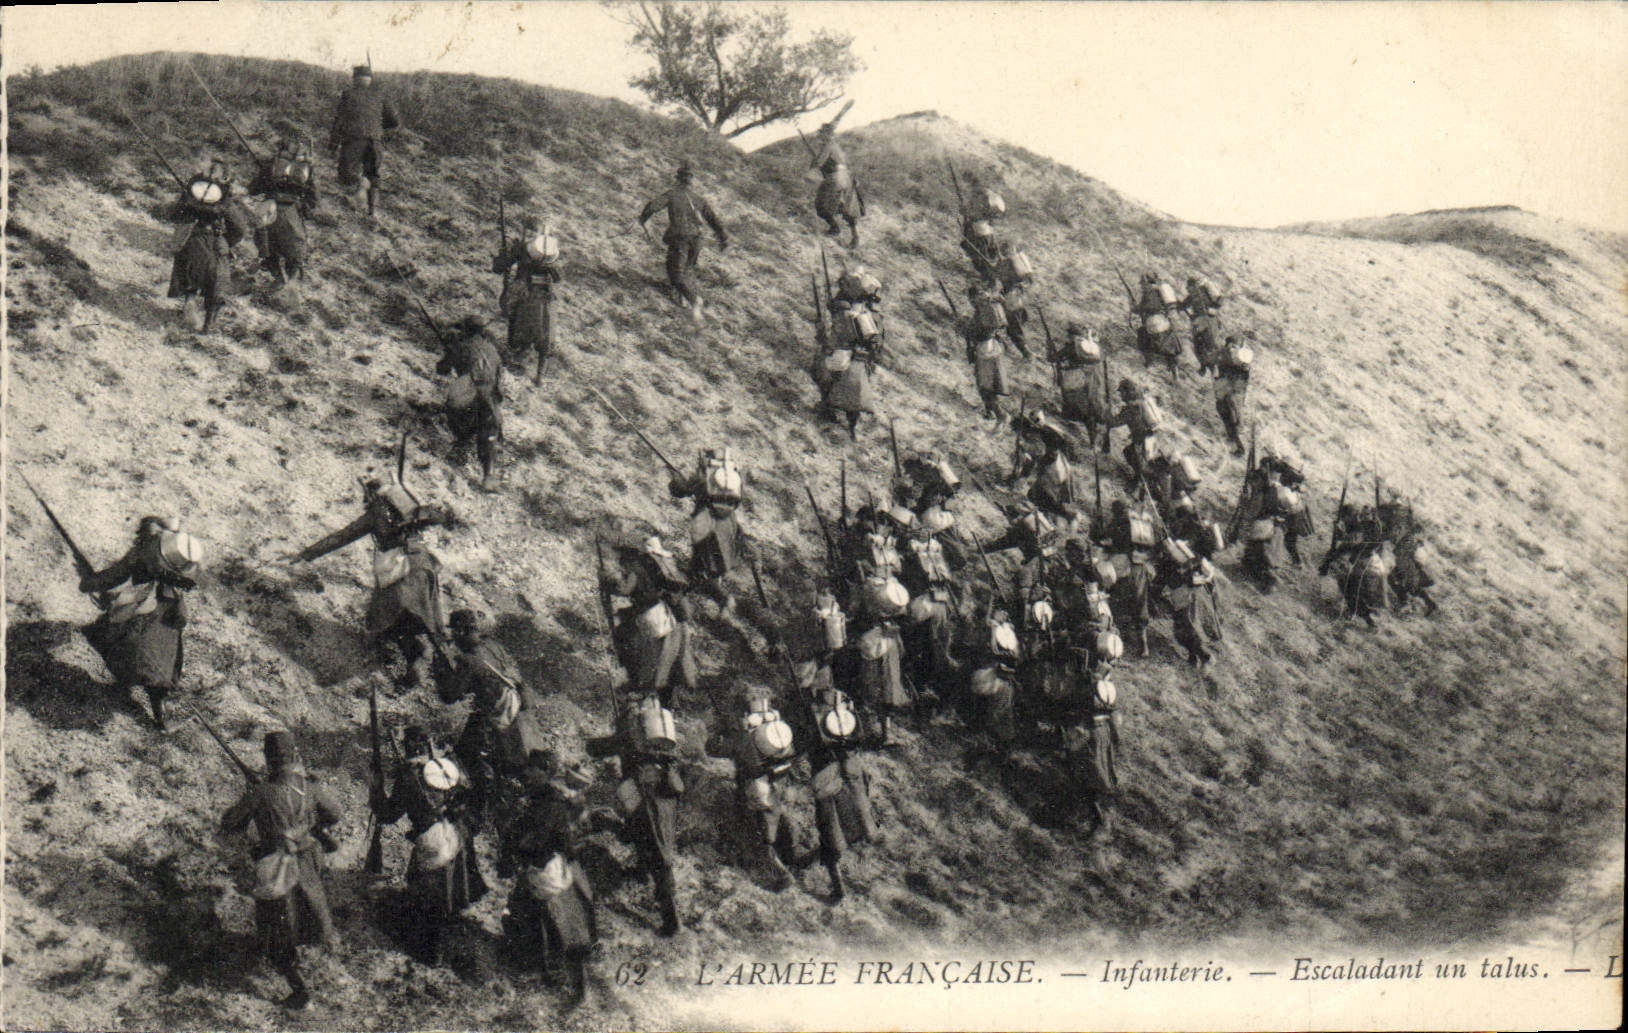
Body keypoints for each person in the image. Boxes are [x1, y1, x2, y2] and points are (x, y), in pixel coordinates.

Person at [291, 473, 455, 685]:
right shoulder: (411, 508)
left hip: (400, 570)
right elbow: (440, 517)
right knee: (426, 617)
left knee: (383, 618)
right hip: (423, 565)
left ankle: (399, 666)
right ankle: (439, 667)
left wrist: (306, 553)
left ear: (370, 494)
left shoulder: (376, 513)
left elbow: (342, 537)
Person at [220, 730, 342, 1011]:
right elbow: (334, 813)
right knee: (305, 907)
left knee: (275, 924)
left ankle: (300, 993)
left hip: (277, 864)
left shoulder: (262, 791)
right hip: (308, 860)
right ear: (295, 756)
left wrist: (251, 796)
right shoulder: (309, 787)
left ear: (268, 759)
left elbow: (230, 823)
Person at [373, 727, 488, 965]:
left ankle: (430, 950)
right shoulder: (448, 766)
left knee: (427, 898)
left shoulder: (408, 777)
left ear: (407, 747)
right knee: (450, 886)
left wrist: (375, 791)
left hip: (432, 840)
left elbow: (388, 814)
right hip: (458, 834)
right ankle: (452, 922)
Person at [78, 517, 202, 730]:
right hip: (166, 618)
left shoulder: (140, 554)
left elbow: (114, 576)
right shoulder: (176, 567)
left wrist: (88, 583)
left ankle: (134, 693)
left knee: (125, 648)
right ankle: (160, 717)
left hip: (145, 614)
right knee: (159, 665)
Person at [502, 750, 598, 1007]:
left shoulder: (551, 804)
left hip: (548, 871)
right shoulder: (540, 799)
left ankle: (577, 991)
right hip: (538, 870)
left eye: (532, 769)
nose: (526, 774)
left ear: (544, 771)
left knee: (564, 931)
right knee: (530, 919)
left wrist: (517, 841)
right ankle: (539, 970)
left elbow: (542, 839)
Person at [586, 696, 686, 936]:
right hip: (665, 794)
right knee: (652, 839)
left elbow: (597, 749)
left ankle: (672, 920)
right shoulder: (663, 737)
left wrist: (591, 743)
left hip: (646, 797)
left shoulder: (629, 732)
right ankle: (642, 871)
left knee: (659, 855)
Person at [436, 609, 543, 828]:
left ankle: (480, 807)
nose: (453, 637)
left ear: (462, 631)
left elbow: (450, 695)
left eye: (455, 632)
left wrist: (440, 670)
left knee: (468, 754)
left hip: (491, 717)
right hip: (513, 709)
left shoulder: (468, 661)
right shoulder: (492, 646)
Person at [604, 535, 698, 710]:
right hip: (661, 612)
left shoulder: (634, 569)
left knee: (648, 652)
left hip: (649, 614)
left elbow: (625, 590)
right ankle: (660, 694)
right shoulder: (652, 568)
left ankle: (642, 687)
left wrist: (608, 584)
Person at [168, 158, 253, 331]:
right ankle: (209, 324)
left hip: (191, 237)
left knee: (186, 270)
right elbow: (240, 228)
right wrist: (227, 243)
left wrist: (188, 206)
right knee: (218, 282)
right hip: (215, 241)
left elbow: (175, 215)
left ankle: (189, 301)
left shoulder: (192, 192)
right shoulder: (226, 201)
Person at [638, 165, 727, 322]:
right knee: (687, 269)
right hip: (697, 240)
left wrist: (643, 219)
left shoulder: (672, 194)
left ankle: (694, 301)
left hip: (681, 238)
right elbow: (714, 220)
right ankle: (682, 300)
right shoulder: (699, 199)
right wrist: (723, 238)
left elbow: (652, 206)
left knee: (675, 273)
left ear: (678, 179)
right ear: (692, 181)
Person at [669, 447, 751, 612]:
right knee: (714, 559)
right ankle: (695, 589)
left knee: (702, 560)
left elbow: (681, 490)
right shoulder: (735, 479)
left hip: (706, 523)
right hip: (727, 524)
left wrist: (674, 476)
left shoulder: (704, 477)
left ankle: (721, 599)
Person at [734, 688, 802, 889]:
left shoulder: (746, 734)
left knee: (762, 829)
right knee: (780, 816)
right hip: (780, 778)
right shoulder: (777, 728)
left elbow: (725, 752)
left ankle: (778, 871)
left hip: (757, 786)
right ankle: (792, 854)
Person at [491, 215, 563, 384]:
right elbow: (558, 277)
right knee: (544, 330)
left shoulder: (526, 249)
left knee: (514, 312)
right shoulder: (541, 252)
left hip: (530, 293)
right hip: (542, 296)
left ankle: (520, 355)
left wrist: (505, 257)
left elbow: (500, 267)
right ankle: (536, 371)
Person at [437, 316, 505, 492]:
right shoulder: (492, 350)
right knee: (488, 431)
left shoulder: (462, 346)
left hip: (471, 392)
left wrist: (448, 352)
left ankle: (461, 442)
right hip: (490, 396)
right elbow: (499, 379)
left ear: (466, 330)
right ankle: (489, 476)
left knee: (453, 408)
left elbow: (442, 369)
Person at [328, 63, 400, 217]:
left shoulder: (348, 95)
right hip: (375, 143)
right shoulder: (380, 95)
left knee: (346, 174)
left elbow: (339, 121)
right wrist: (378, 127)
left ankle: (360, 186)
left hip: (354, 141)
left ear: (354, 79)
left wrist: (333, 144)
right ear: (369, 80)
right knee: (373, 174)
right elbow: (394, 122)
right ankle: (371, 212)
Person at [247, 133, 320, 285]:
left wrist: (263, 173)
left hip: (269, 209)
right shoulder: (306, 169)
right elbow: (314, 198)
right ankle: (291, 281)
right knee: (296, 251)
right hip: (291, 211)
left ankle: (276, 276)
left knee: (266, 246)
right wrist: (303, 208)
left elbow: (253, 189)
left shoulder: (271, 166)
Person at [1162, 535, 1223, 668]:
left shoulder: (1168, 562)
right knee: (1191, 628)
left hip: (1185, 597)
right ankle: (1194, 657)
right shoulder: (1195, 558)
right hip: (1198, 596)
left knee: (1186, 629)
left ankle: (1203, 655)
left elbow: (1166, 581)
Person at [1050, 323, 1111, 451]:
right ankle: (1093, 442)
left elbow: (1053, 358)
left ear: (1071, 335)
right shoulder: (1092, 347)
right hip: (1091, 382)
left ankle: (1069, 427)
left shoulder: (1071, 347)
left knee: (1073, 405)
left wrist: (1050, 350)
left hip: (1074, 381)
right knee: (1089, 412)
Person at [811, 120, 862, 248]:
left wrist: (814, 161)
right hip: (846, 177)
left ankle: (834, 228)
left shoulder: (828, 146)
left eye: (822, 134)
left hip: (835, 178)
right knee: (847, 207)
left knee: (821, 204)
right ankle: (855, 237)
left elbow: (818, 163)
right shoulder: (836, 146)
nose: (821, 136)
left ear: (827, 135)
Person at [1108, 379, 1163, 483]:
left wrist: (1107, 412)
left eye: (1122, 392)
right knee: (1130, 452)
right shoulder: (1142, 401)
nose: (1121, 396)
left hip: (1142, 439)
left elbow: (1115, 422)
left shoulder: (1131, 407)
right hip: (1152, 436)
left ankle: (1142, 482)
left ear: (1128, 392)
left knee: (1139, 463)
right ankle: (1142, 481)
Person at [1214, 333, 1254, 456]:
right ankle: (1233, 439)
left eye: (1234, 346)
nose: (1232, 348)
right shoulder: (1230, 355)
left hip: (1233, 390)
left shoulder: (1240, 358)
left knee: (1236, 418)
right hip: (1227, 388)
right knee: (1225, 411)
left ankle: (1239, 446)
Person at [1178, 276, 1224, 374]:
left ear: (1193, 286)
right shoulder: (1195, 295)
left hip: (1205, 320)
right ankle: (1207, 365)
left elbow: (1183, 306)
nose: (1188, 289)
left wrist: (1212, 309)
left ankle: (1208, 366)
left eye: (1189, 287)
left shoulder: (1199, 293)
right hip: (1205, 321)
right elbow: (1183, 306)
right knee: (1204, 344)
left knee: (1205, 344)